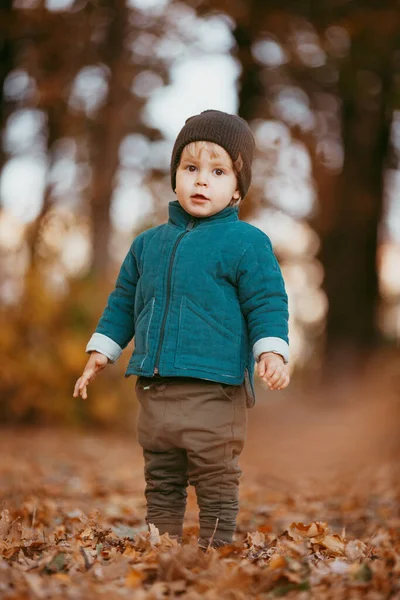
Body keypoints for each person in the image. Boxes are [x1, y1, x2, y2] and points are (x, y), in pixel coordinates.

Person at [73, 109, 290, 550]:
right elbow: (123, 304)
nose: (201, 180)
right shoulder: (147, 245)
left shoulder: (246, 243)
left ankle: (213, 551)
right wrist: (102, 351)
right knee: (162, 476)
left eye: (217, 170)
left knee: (215, 476)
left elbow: (267, 301)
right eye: (190, 168)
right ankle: (163, 548)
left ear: (236, 189)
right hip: (155, 387)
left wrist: (271, 350)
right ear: (175, 176)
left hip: (215, 389)